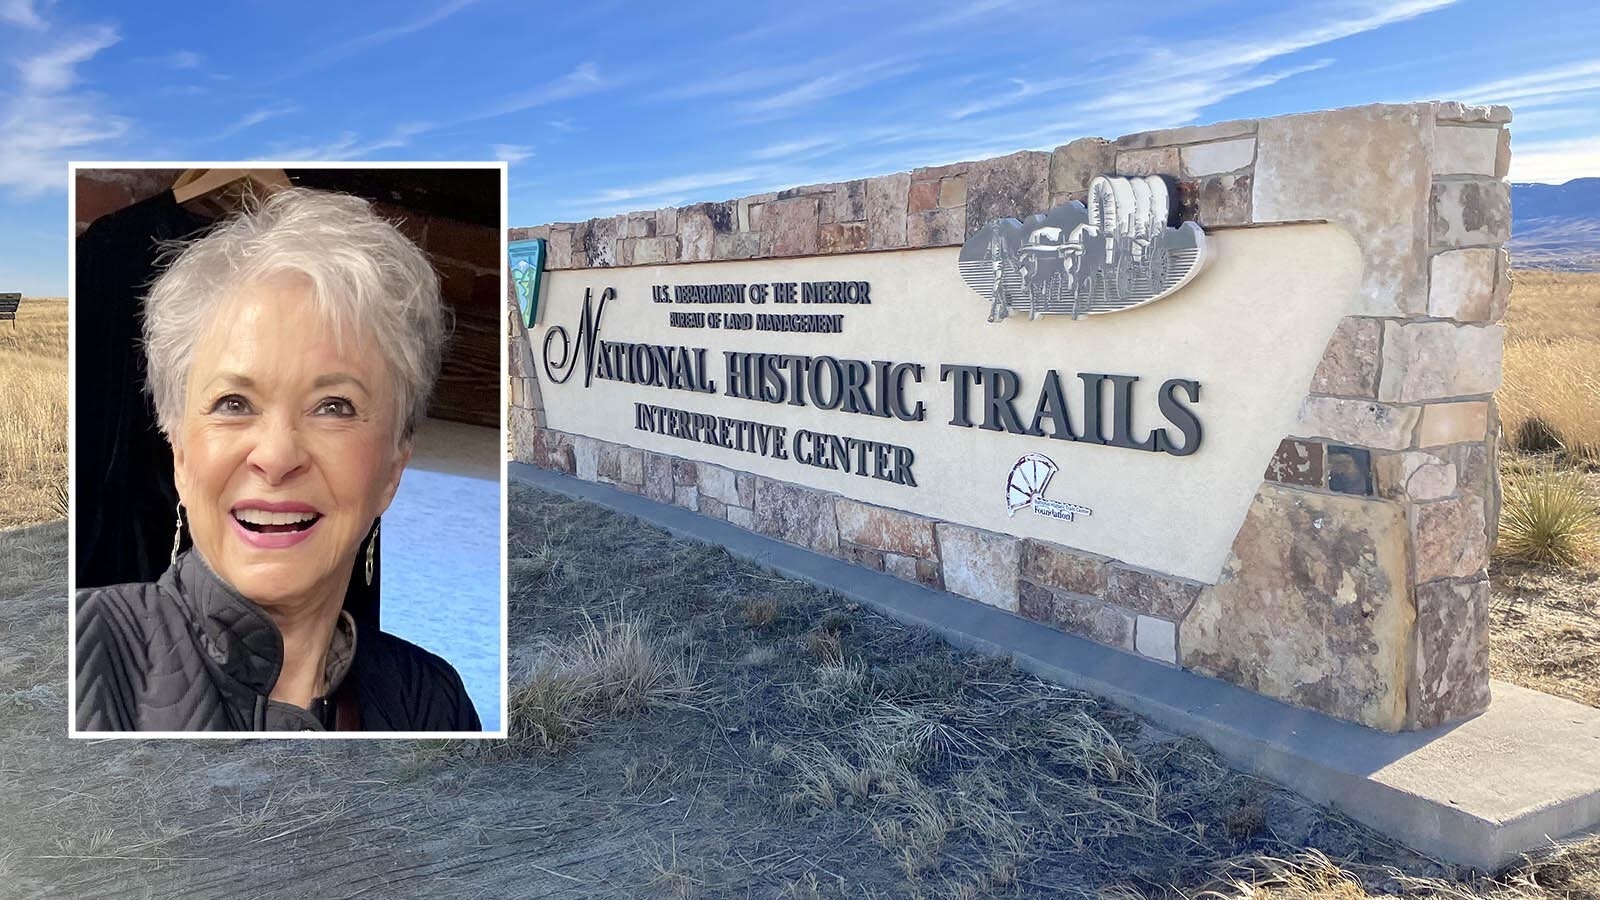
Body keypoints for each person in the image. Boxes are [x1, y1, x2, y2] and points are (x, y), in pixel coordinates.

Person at [75, 187, 481, 732]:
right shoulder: (77, 653)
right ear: (178, 447)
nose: (277, 456)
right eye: (233, 404)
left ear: (393, 466)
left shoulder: (433, 702)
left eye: (334, 407)